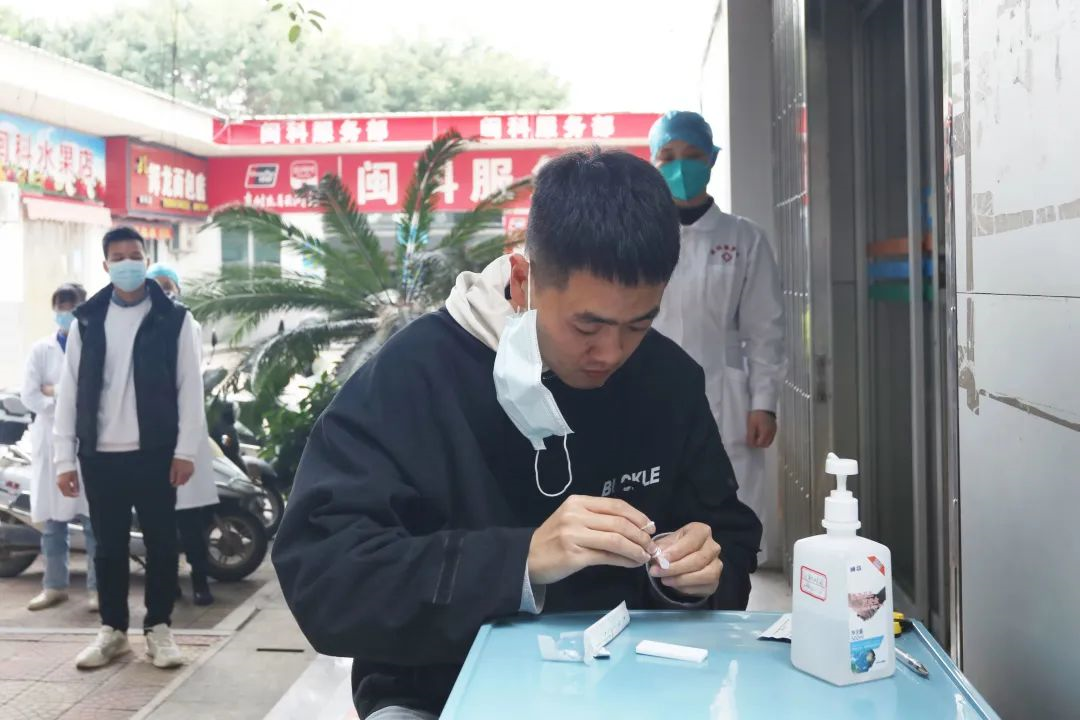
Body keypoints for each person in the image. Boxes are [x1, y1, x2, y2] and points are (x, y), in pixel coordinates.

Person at [273, 149, 763, 719]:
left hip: (631, 684)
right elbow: (325, 577)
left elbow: (729, 540)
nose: (610, 354)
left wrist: (693, 578)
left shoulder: (668, 379)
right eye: (587, 325)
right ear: (524, 279)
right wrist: (519, 562)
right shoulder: (415, 377)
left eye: (638, 324)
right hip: (437, 690)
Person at [53, 227, 203, 670]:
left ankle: (159, 628)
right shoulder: (87, 319)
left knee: (161, 543)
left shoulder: (174, 319)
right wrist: (64, 458)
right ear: (105, 265)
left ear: (146, 259)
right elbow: (69, 391)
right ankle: (113, 631)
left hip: (156, 452)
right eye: (118, 258)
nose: (127, 264)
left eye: (134, 255)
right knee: (109, 547)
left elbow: (189, 387)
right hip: (100, 455)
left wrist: (186, 450)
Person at [649, 111, 786, 564]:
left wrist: (764, 402)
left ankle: (734, 581)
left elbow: (765, 328)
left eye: (692, 155)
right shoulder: (642, 236)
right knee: (656, 502)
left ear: (711, 159)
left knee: (730, 506)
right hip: (650, 387)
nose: (680, 166)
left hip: (726, 395)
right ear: (653, 162)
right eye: (668, 156)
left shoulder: (744, 238)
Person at [21, 283, 99, 612]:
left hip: (88, 441)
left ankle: (98, 589)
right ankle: (54, 586)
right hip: (52, 441)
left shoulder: (96, 344)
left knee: (94, 521)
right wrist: (65, 400)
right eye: (60, 307)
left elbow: (97, 392)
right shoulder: (41, 349)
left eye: (71, 306)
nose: (65, 313)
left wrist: (55, 391)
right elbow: (30, 395)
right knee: (53, 524)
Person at [147, 263, 218, 607]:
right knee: (160, 524)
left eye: (169, 285)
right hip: (153, 436)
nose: (164, 291)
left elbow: (188, 381)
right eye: (157, 285)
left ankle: (200, 581)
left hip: (186, 433)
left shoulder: (188, 323)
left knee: (190, 521)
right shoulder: (140, 325)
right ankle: (169, 583)